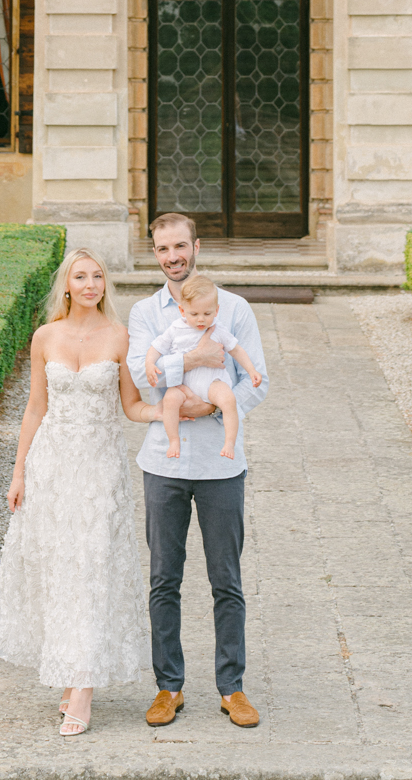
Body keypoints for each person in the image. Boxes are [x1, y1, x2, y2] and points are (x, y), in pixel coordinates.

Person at [0, 247, 161, 740]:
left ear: (106, 284)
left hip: (100, 472)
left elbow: (132, 406)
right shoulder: (46, 336)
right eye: (81, 276)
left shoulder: (120, 337)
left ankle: (82, 687)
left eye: (97, 276)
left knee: (93, 568)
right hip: (52, 469)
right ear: (66, 285)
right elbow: (35, 409)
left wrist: (171, 412)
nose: (90, 284)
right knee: (61, 569)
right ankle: (70, 671)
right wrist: (18, 473)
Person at [127, 212, 268, 731]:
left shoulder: (234, 308)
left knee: (225, 580)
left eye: (181, 246)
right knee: (164, 578)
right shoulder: (145, 313)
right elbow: (144, 386)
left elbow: (258, 380)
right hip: (163, 464)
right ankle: (169, 687)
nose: (173, 257)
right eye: (164, 249)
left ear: (196, 246)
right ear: (155, 253)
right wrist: (197, 360)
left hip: (221, 467)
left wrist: (207, 406)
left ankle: (232, 688)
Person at [144, 274, 262, 461]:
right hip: (184, 384)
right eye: (194, 314)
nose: (201, 319)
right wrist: (149, 363)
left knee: (228, 400)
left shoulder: (218, 328)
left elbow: (237, 350)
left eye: (207, 314)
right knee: (170, 400)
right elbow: (156, 347)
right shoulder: (175, 329)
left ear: (216, 310)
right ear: (182, 310)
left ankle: (229, 442)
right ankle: (174, 440)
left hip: (212, 381)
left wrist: (252, 370)